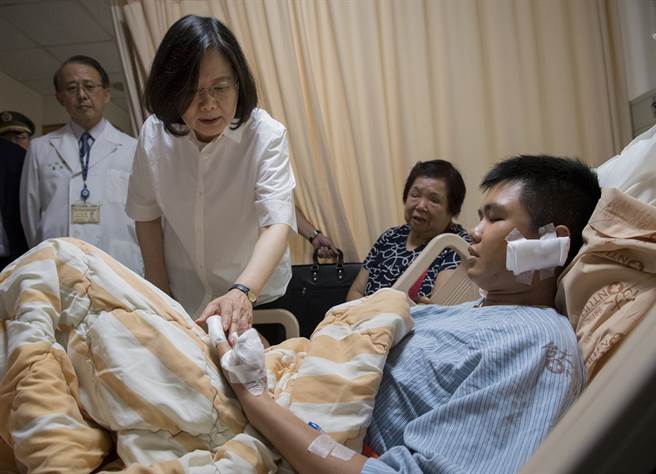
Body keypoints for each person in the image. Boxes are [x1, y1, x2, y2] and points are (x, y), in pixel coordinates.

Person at [213, 154, 600, 473]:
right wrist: (272, 358)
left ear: (550, 241)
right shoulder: (466, 311)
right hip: (286, 391)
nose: (476, 232)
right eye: (480, 216)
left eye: (495, 219)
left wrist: (257, 399)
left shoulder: (538, 345)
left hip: (288, 430)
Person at [126, 15, 296, 337]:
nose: (208, 104)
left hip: (256, 295)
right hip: (183, 298)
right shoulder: (154, 136)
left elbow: (276, 224)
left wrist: (243, 291)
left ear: (238, 83)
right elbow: (146, 216)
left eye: (220, 87)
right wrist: (161, 297)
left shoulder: (266, 135)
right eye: (192, 90)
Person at [19, 55, 142, 275]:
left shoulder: (133, 148)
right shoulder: (40, 148)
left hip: (119, 264)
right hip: (57, 265)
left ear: (106, 94)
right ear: (60, 97)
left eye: (90, 86)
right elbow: (30, 215)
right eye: (71, 88)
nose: (82, 95)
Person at [347, 159, 470, 303]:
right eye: (415, 195)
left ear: (452, 210)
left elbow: (441, 307)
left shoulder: (456, 245)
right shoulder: (390, 237)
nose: (421, 206)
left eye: (434, 200)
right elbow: (356, 291)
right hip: (366, 317)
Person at [0, 111, 34, 269]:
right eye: (6, 140)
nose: (13, 145)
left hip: (23, 253)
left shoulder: (37, 168)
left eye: (19, 138)